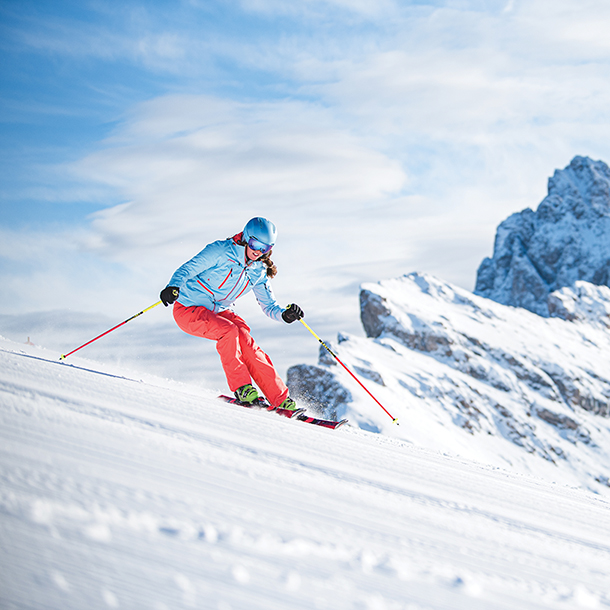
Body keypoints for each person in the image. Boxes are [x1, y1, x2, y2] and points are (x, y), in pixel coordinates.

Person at [160, 217, 304, 411]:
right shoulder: (220, 251)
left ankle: (280, 398)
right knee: (228, 330)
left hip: (217, 312)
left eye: (265, 248)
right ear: (246, 238)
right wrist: (173, 286)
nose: (258, 252)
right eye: (255, 244)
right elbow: (188, 268)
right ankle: (243, 388)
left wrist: (285, 315)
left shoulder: (259, 271)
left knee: (245, 339)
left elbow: (269, 306)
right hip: (188, 308)